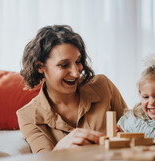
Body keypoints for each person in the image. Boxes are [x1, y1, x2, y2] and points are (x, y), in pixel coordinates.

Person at [17, 25, 128, 153]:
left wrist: (127, 136)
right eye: (64, 65)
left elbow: (135, 129)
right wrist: (60, 149)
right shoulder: (28, 116)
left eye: (78, 61)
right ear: (40, 67)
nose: (76, 73)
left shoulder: (103, 86)